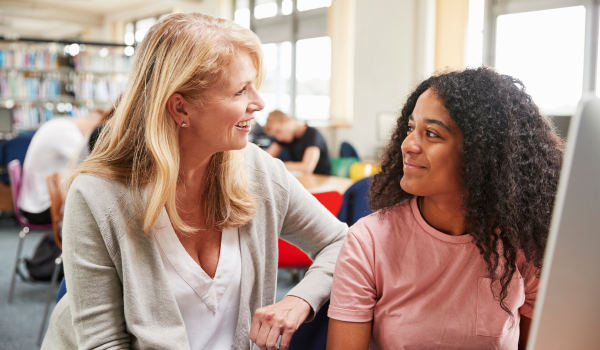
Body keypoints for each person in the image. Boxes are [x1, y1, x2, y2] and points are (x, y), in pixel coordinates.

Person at [41, 13, 347, 350]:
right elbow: (104, 343)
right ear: (180, 108)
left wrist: (300, 298)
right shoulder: (98, 196)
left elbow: (341, 242)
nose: (258, 103)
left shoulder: (258, 172)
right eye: (240, 90)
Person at [326, 68, 564, 350]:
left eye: (431, 133)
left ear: (482, 153)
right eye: (410, 128)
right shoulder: (369, 241)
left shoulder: (522, 242)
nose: (408, 145)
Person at [19, 109, 107, 225]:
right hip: (40, 208)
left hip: (33, 201)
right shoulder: (67, 132)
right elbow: (90, 165)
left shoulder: (61, 124)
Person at [264, 110, 331, 175]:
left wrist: (276, 165)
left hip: (320, 181)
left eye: (278, 131)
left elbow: (307, 168)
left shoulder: (313, 134)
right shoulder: (286, 137)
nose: (278, 138)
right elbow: (265, 160)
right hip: (301, 180)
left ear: (287, 120)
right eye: (275, 135)